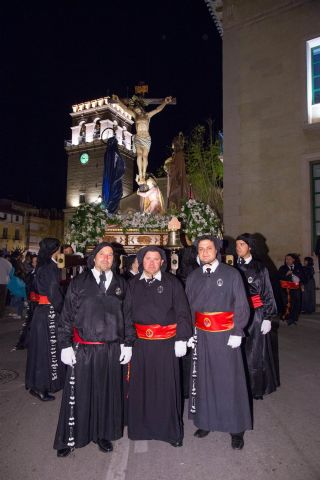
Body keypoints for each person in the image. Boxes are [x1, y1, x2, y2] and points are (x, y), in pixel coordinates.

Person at [54, 242, 135, 458]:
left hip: (111, 349)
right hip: (84, 350)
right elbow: (67, 315)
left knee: (106, 393)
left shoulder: (121, 284)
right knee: (78, 394)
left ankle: (103, 434)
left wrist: (128, 343)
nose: (107, 258)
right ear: (94, 257)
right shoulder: (79, 282)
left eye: (110, 255)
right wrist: (64, 344)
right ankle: (71, 437)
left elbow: (128, 316)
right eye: (102, 254)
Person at [185, 235, 252, 450]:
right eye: (201, 249)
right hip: (201, 336)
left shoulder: (231, 274)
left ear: (217, 251)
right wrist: (187, 333)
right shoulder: (193, 277)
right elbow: (187, 307)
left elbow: (241, 304)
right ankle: (206, 421)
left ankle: (236, 428)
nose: (205, 252)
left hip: (225, 335)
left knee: (229, 381)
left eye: (209, 248)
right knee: (204, 379)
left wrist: (237, 331)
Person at [124, 246, 192, 447]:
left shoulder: (173, 283)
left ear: (163, 262)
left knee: (166, 388)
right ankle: (140, 429)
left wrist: (182, 338)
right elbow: (125, 314)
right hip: (140, 345)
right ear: (140, 261)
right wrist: (127, 342)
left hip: (166, 345)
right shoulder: (132, 284)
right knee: (141, 388)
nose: (152, 263)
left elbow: (183, 312)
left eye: (156, 259)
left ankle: (170, 432)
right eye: (147, 259)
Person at [235, 234, 279, 400]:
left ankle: (256, 388)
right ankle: (239, 386)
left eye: (242, 245)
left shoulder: (260, 267)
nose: (238, 248)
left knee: (255, 353)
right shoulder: (232, 266)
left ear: (250, 247)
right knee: (238, 350)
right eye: (237, 245)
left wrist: (268, 316)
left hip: (256, 314)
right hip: (238, 313)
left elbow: (268, 292)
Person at [25, 238, 65, 401]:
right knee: (46, 351)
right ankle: (41, 386)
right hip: (49, 311)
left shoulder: (44, 264)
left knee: (41, 350)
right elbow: (53, 292)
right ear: (54, 250)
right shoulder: (49, 267)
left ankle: (37, 384)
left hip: (42, 311)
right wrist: (63, 310)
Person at [112, 94, 173, 184]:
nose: (135, 110)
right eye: (134, 109)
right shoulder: (135, 116)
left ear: (140, 108)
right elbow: (125, 109)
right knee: (139, 155)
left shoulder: (147, 116)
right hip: (138, 138)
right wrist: (118, 101)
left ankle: (144, 174)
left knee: (145, 156)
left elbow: (157, 110)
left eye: (136, 109)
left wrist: (165, 102)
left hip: (146, 139)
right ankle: (140, 174)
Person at [15, 254, 38, 350]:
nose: (36, 263)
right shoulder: (31, 274)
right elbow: (28, 286)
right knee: (31, 323)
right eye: (34, 261)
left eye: (37, 261)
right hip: (34, 302)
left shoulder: (40, 273)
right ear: (32, 263)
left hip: (39, 302)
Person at [278, 253, 304, 325]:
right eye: (286, 259)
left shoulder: (298, 267)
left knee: (296, 303)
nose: (287, 260)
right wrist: (286, 274)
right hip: (286, 290)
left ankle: (294, 318)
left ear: (293, 260)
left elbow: (302, 277)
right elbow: (278, 277)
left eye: (289, 259)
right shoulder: (283, 268)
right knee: (288, 304)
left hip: (296, 289)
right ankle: (287, 317)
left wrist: (301, 283)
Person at [0, 251, 12, 317]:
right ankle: (1, 314)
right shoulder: (7, 263)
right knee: (2, 299)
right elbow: (10, 273)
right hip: (4, 283)